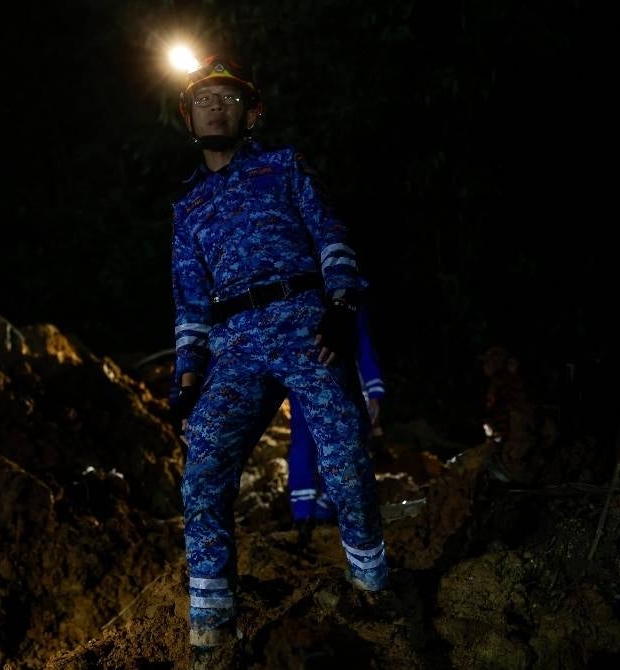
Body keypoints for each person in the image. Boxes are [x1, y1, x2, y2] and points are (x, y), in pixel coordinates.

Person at [168, 54, 389, 655]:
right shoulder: (186, 210)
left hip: (303, 323)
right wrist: (186, 378)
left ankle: (373, 590)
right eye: (204, 99)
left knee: (344, 454)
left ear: (251, 112)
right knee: (203, 476)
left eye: (229, 98)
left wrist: (342, 309)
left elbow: (332, 235)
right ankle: (211, 630)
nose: (216, 105)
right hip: (232, 346)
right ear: (188, 115)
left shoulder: (283, 167)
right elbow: (189, 301)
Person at [288, 307, 385, 544]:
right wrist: (374, 391)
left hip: (300, 378)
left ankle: (304, 513)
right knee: (344, 445)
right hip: (336, 379)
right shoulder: (341, 294)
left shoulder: (295, 293)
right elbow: (362, 344)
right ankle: (325, 509)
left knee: (303, 442)